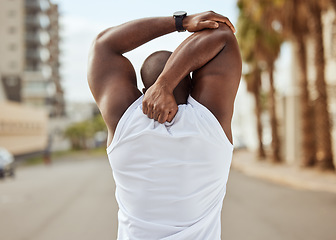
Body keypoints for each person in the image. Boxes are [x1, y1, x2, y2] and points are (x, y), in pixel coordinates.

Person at [88, 11, 242, 240]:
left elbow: (103, 45)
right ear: (192, 88)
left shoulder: (124, 122)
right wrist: (166, 83)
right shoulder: (210, 123)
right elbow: (222, 34)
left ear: (143, 93)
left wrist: (180, 23)